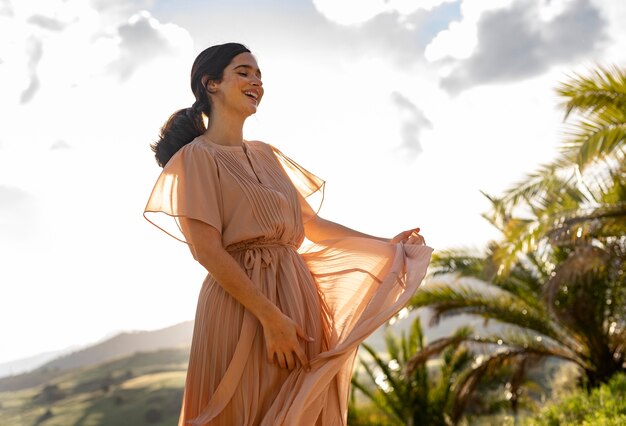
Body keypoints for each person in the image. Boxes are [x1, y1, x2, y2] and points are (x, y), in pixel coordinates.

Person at [144, 42, 433, 426]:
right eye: (244, 72)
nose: (256, 82)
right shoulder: (195, 158)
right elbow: (206, 250)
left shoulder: (266, 154)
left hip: (296, 296)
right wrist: (271, 318)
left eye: (260, 75)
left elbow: (312, 225)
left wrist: (386, 244)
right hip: (244, 305)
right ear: (210, 84)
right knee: (245, 409)